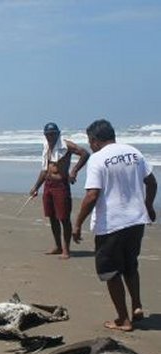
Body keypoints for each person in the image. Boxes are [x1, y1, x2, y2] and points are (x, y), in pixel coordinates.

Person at [73, 119, 157, 332]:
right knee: (130, 265)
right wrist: (148, 205)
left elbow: (92, 195)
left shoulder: (98, 159)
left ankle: (123, 319)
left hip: (112, 223)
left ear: (94, 140)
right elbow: (152, 182)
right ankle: (136, 305)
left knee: (110, 271)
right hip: (136, 220)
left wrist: (77, 223)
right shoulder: (134, 153)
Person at [30, 122, 90, 259]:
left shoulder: (66, 145)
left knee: (63, 217)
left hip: (60, 185)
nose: (50, 137)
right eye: (47, 134)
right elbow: (45, 169)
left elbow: (85, 154)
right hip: (48, 184)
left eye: (52, 134)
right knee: (52, 217)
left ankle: (66, 250)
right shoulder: (46, 146)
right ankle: (57, 246)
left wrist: (74, 171)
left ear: (58, 133)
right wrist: (36, 187)